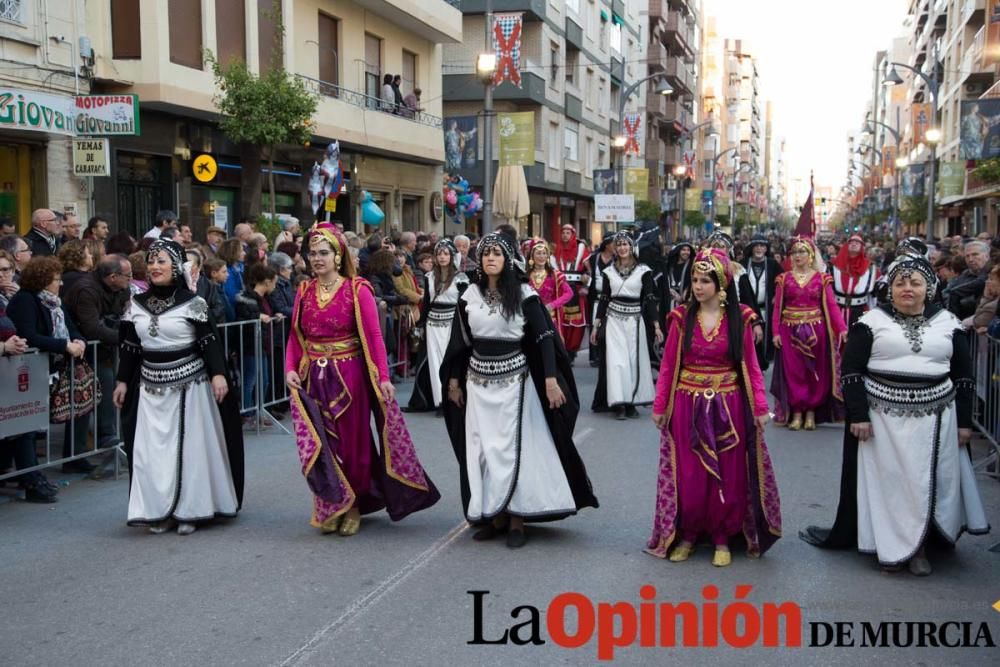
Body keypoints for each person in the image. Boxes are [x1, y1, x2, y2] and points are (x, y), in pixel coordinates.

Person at [801, 255, 989, 575]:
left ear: (928, 288)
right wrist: (858, 415)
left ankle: (920, 549)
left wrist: (964, 423)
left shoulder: (948, 323)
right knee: (891, 483)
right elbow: (851, 372)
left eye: (915, 283)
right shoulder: (871, 322)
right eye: (901, 282)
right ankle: (890, 546)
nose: (907, 289)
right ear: (890, 288)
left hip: (937, 421)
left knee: (927, 483)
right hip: (881, 422)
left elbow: (964, 377)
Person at [440, 232, 598, 548]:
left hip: (516, 384)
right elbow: (460, 343)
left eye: (497, 253)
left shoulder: (525, 294)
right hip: (478, 383)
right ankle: (493, 515)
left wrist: (551, 381)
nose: (490, 258)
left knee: (514, 450)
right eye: (486, 254)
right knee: (483, 451)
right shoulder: (469, 295)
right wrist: (454, 382)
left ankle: (516, 519)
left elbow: (544, 339)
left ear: (508, 259)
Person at [285, 223, 439, 535]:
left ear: (338, 255)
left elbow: (374, 336)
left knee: (353, 443)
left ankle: (353, 504)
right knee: (322, 442)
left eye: (323, 253)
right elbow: (294, 337)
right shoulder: (303, 291)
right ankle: (331, 504)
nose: (317, 259)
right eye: (312, 253)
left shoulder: (358, 290)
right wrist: (290, 368)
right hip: (313, 376)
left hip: (350, 374)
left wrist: (383, 376)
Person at [648, 248, 781, 567]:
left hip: (729, 406)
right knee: (690, 474)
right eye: (694, 279)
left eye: (705, 280)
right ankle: (690, 535)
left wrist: (760, 408)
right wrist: (660, 404)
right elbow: (668, 366)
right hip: (686, 405)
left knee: (728, 475)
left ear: (721, 283)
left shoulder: (741, 318)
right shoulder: (681, 318)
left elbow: (750, 367)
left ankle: (723, 537)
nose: (697, 286)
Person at [112, 239, 244, 535]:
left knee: (190, 449)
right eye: (151, 261)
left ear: (176, 267)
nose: (155, 267)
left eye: (162, 261)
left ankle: (190, 510)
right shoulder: (135, 305)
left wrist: (218, 375)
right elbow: (131, 346)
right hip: (150, 389)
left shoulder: (192, 302)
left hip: (191, 387)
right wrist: (122, 380)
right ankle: (158, 510)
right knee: (153, 453)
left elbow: (208, 341)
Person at [6, 256, 93, 473]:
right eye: (56, 279)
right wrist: (64, 345)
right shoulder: (26, 300)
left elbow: (70, 326)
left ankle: (75, 457)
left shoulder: (54, 302)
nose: (61, 283)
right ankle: (24, 473)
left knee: (80, 407)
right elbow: (28, 335)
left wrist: (78, 339)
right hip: (30, 368)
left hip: (56, 366)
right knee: (27, 424)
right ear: (42, 280)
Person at [770, 236, 848, 431]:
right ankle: (797, 413)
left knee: (815, 372)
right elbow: (778, 308)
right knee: (794, 372)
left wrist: (842, 329)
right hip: (790, 331)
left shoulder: (822, 279)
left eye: (802, 251)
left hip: (817, 330)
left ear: (811, 254)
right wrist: (775, 332)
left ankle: (811, 412)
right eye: (794, 252)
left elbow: (831, 306)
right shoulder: (783, 279)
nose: (797, 255)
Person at [590, 232, 662, 420]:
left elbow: (650, 298)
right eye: (619, 245)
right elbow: (604, 299)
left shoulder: (643, 271)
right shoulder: (608, 272)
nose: (622, 248)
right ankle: (619, 404)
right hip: (613, 320)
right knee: (616, 363)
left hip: (634, 321)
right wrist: (596, 325)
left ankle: (632, 402)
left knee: (633, 362)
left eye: (626, 245)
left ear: (631, 248)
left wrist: (656, 326)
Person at [64, 254, 131, 451]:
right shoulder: (86, 289)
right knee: (83, 401)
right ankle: (81, 450)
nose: (131, 279)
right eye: (127, 276)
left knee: (107, 386)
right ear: (112, 276)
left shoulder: (120, 289)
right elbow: (92, 328)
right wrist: (124, 338)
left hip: (104, 350)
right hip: (82, 351)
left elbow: (125, 314)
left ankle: (105, 436)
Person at [0, 251, 49, 501]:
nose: (4, 275)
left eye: (7, 269)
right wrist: (4, 347)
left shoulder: (9, 298)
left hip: (9, 372)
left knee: (21, 427)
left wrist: (14, 342)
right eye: (0, 270)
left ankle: (30, 478)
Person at [407, 240, 469, 413]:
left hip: (451, 324)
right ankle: (438, 400)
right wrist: (421, 325)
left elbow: (464, 305)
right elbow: (426, 303)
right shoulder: (430, 277)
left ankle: (449, 400)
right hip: (432, 325)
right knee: (433, 363)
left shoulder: (460, 278)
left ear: (451, 256)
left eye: (446, 254)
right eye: (439, 254)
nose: (442, 257)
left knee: (447, 360)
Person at [235, 263, 281, 416]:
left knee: (264, 381)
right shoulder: (245, 297)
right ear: (267, 282)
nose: (275, 286)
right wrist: (258, 317)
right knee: (251, 380)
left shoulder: (266, 298)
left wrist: (277, 314)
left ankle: (258, 412)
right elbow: (243, 316)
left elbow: (271, 311)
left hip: (263, 344)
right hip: (250, 345)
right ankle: (248, 414)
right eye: (274, 282)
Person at [741, 234, 783, 371]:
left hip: (766, 309)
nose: (759, 248)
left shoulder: (772, 264)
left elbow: (784, 281)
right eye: (756, 246)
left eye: (762, 246)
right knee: (748, 336)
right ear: (751, 248)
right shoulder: (742, 264)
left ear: (766, 248)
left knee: (764, 337)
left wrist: (777, 294)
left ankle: (761, 364)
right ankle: (748, 365)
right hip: (747, 309)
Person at [549, 225, 591, 360]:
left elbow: (589, 271)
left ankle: (572, 350)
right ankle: (563, 348)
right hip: (561, 289)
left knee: (577, 322)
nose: (565, 235)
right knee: (562, 320)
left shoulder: (581, 248)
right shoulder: (556, 250)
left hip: (577, 290)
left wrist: (587, 285)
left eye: (568, 233)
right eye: (563, 233)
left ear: (573, 235)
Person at [525, 238, 574, 335]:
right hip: (529, 318)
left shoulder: (555, 275)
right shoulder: (524, 275)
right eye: (538, 253)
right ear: (532, 256)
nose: (542, 256)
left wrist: (552, 305)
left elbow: (569, 293)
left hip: (549, 318)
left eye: (544, 253)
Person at [829, 234, 879, 327]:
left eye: (857, 242)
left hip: (860, 310)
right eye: (851, 242)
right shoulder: (834, 265)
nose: (854, 244)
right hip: (838, 310)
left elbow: (872, 296)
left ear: (862, 247)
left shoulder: (870, 267)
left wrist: (873, 314)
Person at [659, 241, 694, 320]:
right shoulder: (670, 265)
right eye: (683, 250)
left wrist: (685, 295)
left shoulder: (692, 266)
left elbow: (692, 282)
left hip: (684, 304)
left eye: (688, 250)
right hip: (669, 302)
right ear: (678, 251)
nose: (686, 252)